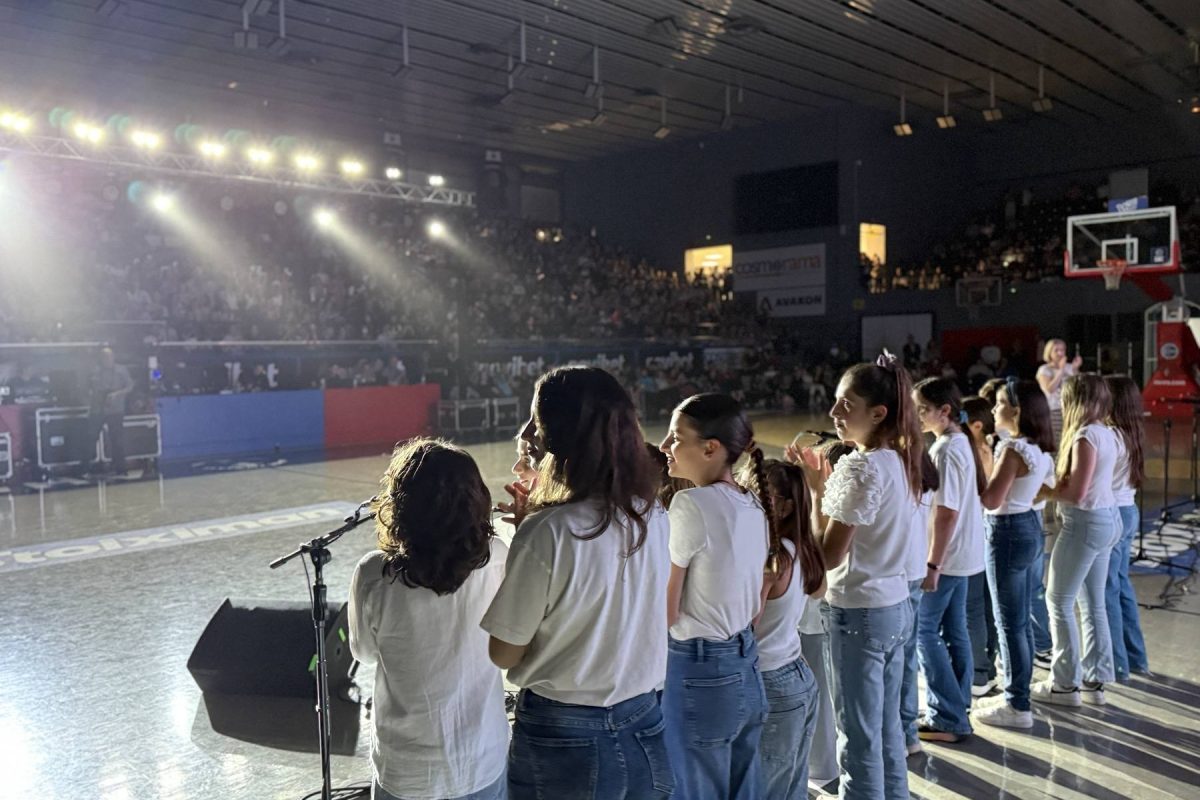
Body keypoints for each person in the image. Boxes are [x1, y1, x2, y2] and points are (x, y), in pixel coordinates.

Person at [482, 366, 674, 800]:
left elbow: (503, 651)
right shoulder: (653, 515)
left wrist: (526, 543)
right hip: (644, 717)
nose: (528, 430)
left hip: (563, 731)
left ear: (559, 434)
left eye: (535, 419)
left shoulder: (547, 531)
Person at [348, 438, 509, 800]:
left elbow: (364, 652)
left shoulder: (374, 573)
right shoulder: (497, 556)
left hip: (406, 769)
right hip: (482, 759)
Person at [799, 352, 923, 800]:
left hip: (859, 613)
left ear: (878, 413)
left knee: (858, 737)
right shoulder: (899, 461)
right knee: (887, 729)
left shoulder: (861, 466)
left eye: (845, 405)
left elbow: (828, 554)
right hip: (895, 605)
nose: (834, 413)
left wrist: (815, 493)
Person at [658, 393, 769, 800]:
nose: (665, 447)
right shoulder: (753, 504)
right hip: (745, 666)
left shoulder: (690, 504)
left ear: (710, 448)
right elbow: (754, 604)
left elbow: (666, 613)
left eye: (675, 438)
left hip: (699, 672)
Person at [1033, 374, 1121, 708]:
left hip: (1086, 522)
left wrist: (1043, 491)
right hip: (1105, 519)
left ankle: (1064, 683)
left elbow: (1076, 492)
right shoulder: (1109, 433)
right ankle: (1095, 681)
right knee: (1092, 603)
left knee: (1058, 601)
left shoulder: (1085, 436)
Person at [974, 379, 1057, 729]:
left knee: (1009, 623)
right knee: (1019, 619)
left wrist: (976, 463)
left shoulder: (1012, 449)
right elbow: (1040, 492)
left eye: (1001, 403)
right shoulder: (1036, 448)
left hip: (1006, 531)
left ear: (1018, 410)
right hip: (1028, 526)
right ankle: (1016, 690)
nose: (994, 408)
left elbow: (990, 499)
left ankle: (1017, 703)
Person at [742, 458, 826, 799]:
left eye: (758, 495)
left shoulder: (771, 559)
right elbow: (817, 592)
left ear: (786, 507)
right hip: (796, 674)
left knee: (769, 789)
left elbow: (747, 623)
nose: (749, 501)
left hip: (771, 681)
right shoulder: (802, 549)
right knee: (792, 785)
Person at [912, 377, 986, 744]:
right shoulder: (959, 443)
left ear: (944, 411)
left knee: (924, 630)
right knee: (953, 631)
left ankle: (948, 715)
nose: (916, 415)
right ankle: (956, 707)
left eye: (922, 409)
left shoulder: (945, 449)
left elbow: (946, 512)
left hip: (949, 557)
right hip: (965, 554)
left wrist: (932, 564)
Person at [1104, 376, 1150, 681]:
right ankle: (1135, 658)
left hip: (1113, 511)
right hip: (1128, 509)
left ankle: (1117, 663)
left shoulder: (1109, 435)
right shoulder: (1132, 431)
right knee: (1120, 586)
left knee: (1107, 590)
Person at [900, 452, 938, 758]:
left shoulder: (895, 463)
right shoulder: (921, 464)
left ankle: (902, 731)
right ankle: (908, 731)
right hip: (913, 567)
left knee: (896, 662)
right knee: (906, 657)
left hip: (900, 574)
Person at [962, 395, 1000, 697]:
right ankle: (984, 668)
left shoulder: (975, 450)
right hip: (981, 531)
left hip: (976, 533)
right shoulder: (984, 446)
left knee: (975, 609)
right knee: (982, 608)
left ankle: (978, 672)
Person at [86, 347, 134, 472]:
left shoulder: (121, 370)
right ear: (100, 359)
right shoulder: (95, 370)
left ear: (113, 357)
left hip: (116, 409)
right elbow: (89, 387)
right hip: (98, 409)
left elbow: (130, 386)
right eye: (104, 357)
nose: (107, 359)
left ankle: (120, 468)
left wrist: (117, 394)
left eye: (109, 356)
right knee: (90, 437)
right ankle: (85, 467)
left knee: (117, 439)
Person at [1036, 339, 1082, 443]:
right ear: (1049, 352)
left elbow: (1079, 387)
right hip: (1054, 410)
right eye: (1056, 350)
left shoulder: (1069, 367)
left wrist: (1075, 369)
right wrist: (1060, 370)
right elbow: (1049, 389)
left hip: (1071, 409)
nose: (1060, 353)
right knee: (1057, 440)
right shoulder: (1044, 369)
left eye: (1062, 350)